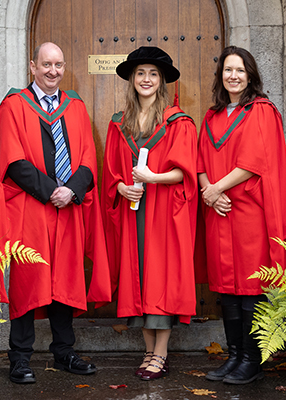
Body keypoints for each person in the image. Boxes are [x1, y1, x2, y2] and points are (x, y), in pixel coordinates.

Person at [0, 42, 111, 384]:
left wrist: (71, 190)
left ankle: (63, 351)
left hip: (67, 209)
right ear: (33, 66)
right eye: (46, 65)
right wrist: (50, 191)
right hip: (31, 208)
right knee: (29, 279)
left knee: (65, 279)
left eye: (58, 64)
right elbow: (12, 162)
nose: (53, 71)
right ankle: (21, 356)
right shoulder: (14, 105)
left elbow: (88, 159)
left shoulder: (74, 107)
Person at [197, 46, 286, 385]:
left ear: (250, 75)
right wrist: (208, 190)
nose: (234, 76)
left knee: (250, 286)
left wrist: (216, 190)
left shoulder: (260, 111)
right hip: (219, 212)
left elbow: (253, 162)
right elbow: (199, 162)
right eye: (228, 70)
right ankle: (234, 355)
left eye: (240, 70)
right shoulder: (212, 116)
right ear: (220, 76)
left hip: (248, 213)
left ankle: (252, 360)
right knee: (226, 288)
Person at [101, 46, 198, 381]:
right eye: (141, 73)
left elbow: (185, 173)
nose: (146, 79)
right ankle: (147, 352)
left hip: (162, 212)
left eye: (153, 74)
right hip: (133, 211)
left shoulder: (178, 122)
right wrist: (120, 188)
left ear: (162, 81)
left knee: (160, 277)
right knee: (136, 277)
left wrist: (153, 178)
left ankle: (161, 354)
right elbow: (111, 173)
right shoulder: (119, 124)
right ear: (132, 79)